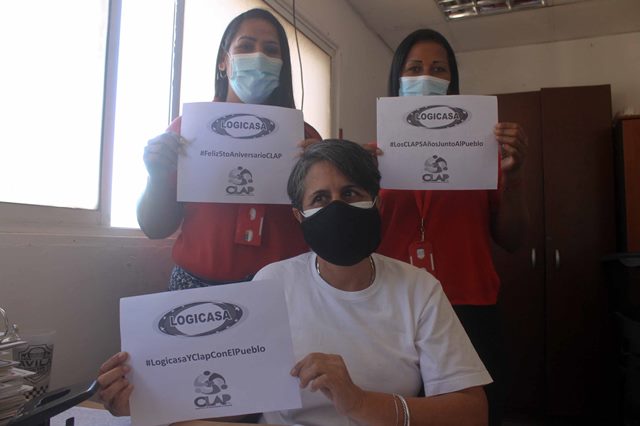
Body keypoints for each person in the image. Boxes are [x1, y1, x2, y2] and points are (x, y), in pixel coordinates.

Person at [98, 140, 492, 426]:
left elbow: (471, 411)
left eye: (351, 193)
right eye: (319, 198)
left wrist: (360, 403)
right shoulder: (273, 282)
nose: (336, 207)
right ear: (299, 216)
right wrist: (149, 403)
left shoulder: (419, 289)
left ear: (377, 202)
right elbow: (236, 401)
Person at [374, 29, 528, 426]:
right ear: (397, 79)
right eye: (414, 68)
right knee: (400, 413)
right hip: (395, 308)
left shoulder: (483, 149)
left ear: (452, 81)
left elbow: (512, 239)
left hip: (468, 305)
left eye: (438, 69)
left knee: (472, 414)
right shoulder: (376, 155)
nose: (426, 76)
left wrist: (514, 179)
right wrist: (357, 182)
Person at [137, 8, 321, 291]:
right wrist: (157, 177)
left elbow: (324, 230)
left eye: (271, 50)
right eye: (246, 46)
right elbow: (154, 227)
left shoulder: (305, 138)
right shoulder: (187, 132)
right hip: (197, 290)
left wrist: (323, 178)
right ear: (224, 61)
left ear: (282, 65)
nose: (259, 57)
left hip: (283, 292)